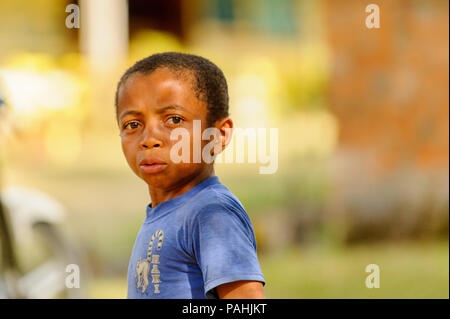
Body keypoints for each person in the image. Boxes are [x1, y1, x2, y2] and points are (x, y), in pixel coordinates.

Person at [115, 52, 265, 299]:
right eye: (132, 124)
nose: (149, 139)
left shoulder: (212, 213)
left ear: (219, 135)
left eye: (174, 120)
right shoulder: (161, 214)